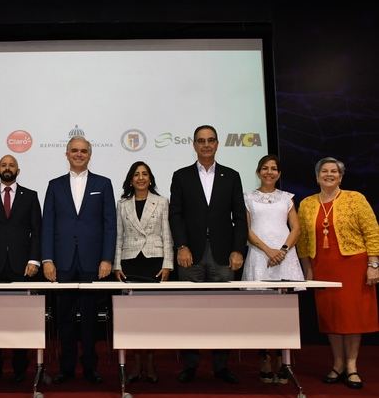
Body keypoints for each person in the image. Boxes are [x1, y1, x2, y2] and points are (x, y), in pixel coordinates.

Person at [169, 124, 247, 384]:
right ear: (193, 144)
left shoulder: (232, 175)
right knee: (188, 310)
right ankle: (190, 365)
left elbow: (240, 217)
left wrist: (238, 249)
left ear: (217, 143)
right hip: (189, 254)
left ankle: (221, 366)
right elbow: (176, 215)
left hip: (224, 255)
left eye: (210, 140)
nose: (206, 145)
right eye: (201, 141)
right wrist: (181, 246)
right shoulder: (181, 176)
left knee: (223, 310)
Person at [298, 157, 379, 390]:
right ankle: (338, 364)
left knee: (352, 317)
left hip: (353, 264)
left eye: (334, 171)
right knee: (331, 317)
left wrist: (373, 265)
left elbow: (372, 232)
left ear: (341, 177)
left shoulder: (355, 199)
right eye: (325, 171)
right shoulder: (307, 203)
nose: (329, 175)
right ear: (317, 176)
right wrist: (308, 271)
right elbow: (303, 241)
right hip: (322, 266)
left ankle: (352, 366)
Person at [41, 135, 116, 384]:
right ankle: (67, 368)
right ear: (66, 154)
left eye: (84, 151)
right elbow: (47, 226)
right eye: (74, 150)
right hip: (61, 263)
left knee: (90, 319)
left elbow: (109, 226)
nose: (79, 154)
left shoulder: (103, 184)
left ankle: (91, 368)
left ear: (90, 154)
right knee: (64, 319)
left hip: (92, 263)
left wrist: (107, 259)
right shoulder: (54, 185)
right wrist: (47, 260)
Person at [0, 154, 42, 383]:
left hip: (22, 268)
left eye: (11, 165)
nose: (7, 168)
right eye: (4, 165)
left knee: (19, 319)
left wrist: (34, 260)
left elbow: (37, 231)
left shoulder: (30, 196)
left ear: (18, 170)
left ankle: (20, 370)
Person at [241, 155, 304, 384]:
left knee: (283, 310)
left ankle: (283, 360)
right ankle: (265, 358)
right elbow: (246, 230)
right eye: (265, 168)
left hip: (284, 257)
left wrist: (283, 250)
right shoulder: (248, 197)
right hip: (260, 256)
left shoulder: (287, 198)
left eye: (274, 169)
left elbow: (296, 228)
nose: (269, 172)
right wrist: (269, 250)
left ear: (279, 173)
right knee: (261, 311)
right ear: (258, 172)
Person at [113, 161, 173, 383]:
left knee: (151, 317)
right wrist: (116, 265)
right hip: (130, 263)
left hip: (154, 263)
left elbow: (167, 234)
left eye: (144, 174)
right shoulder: (123, 204)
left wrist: (168, 263)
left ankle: (150, 363)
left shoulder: (161, 202)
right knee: (132, 317)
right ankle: (135, 365)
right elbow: (119, 236)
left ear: (150, 178)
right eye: (136, 174)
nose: (140, 178)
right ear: (131, 179)